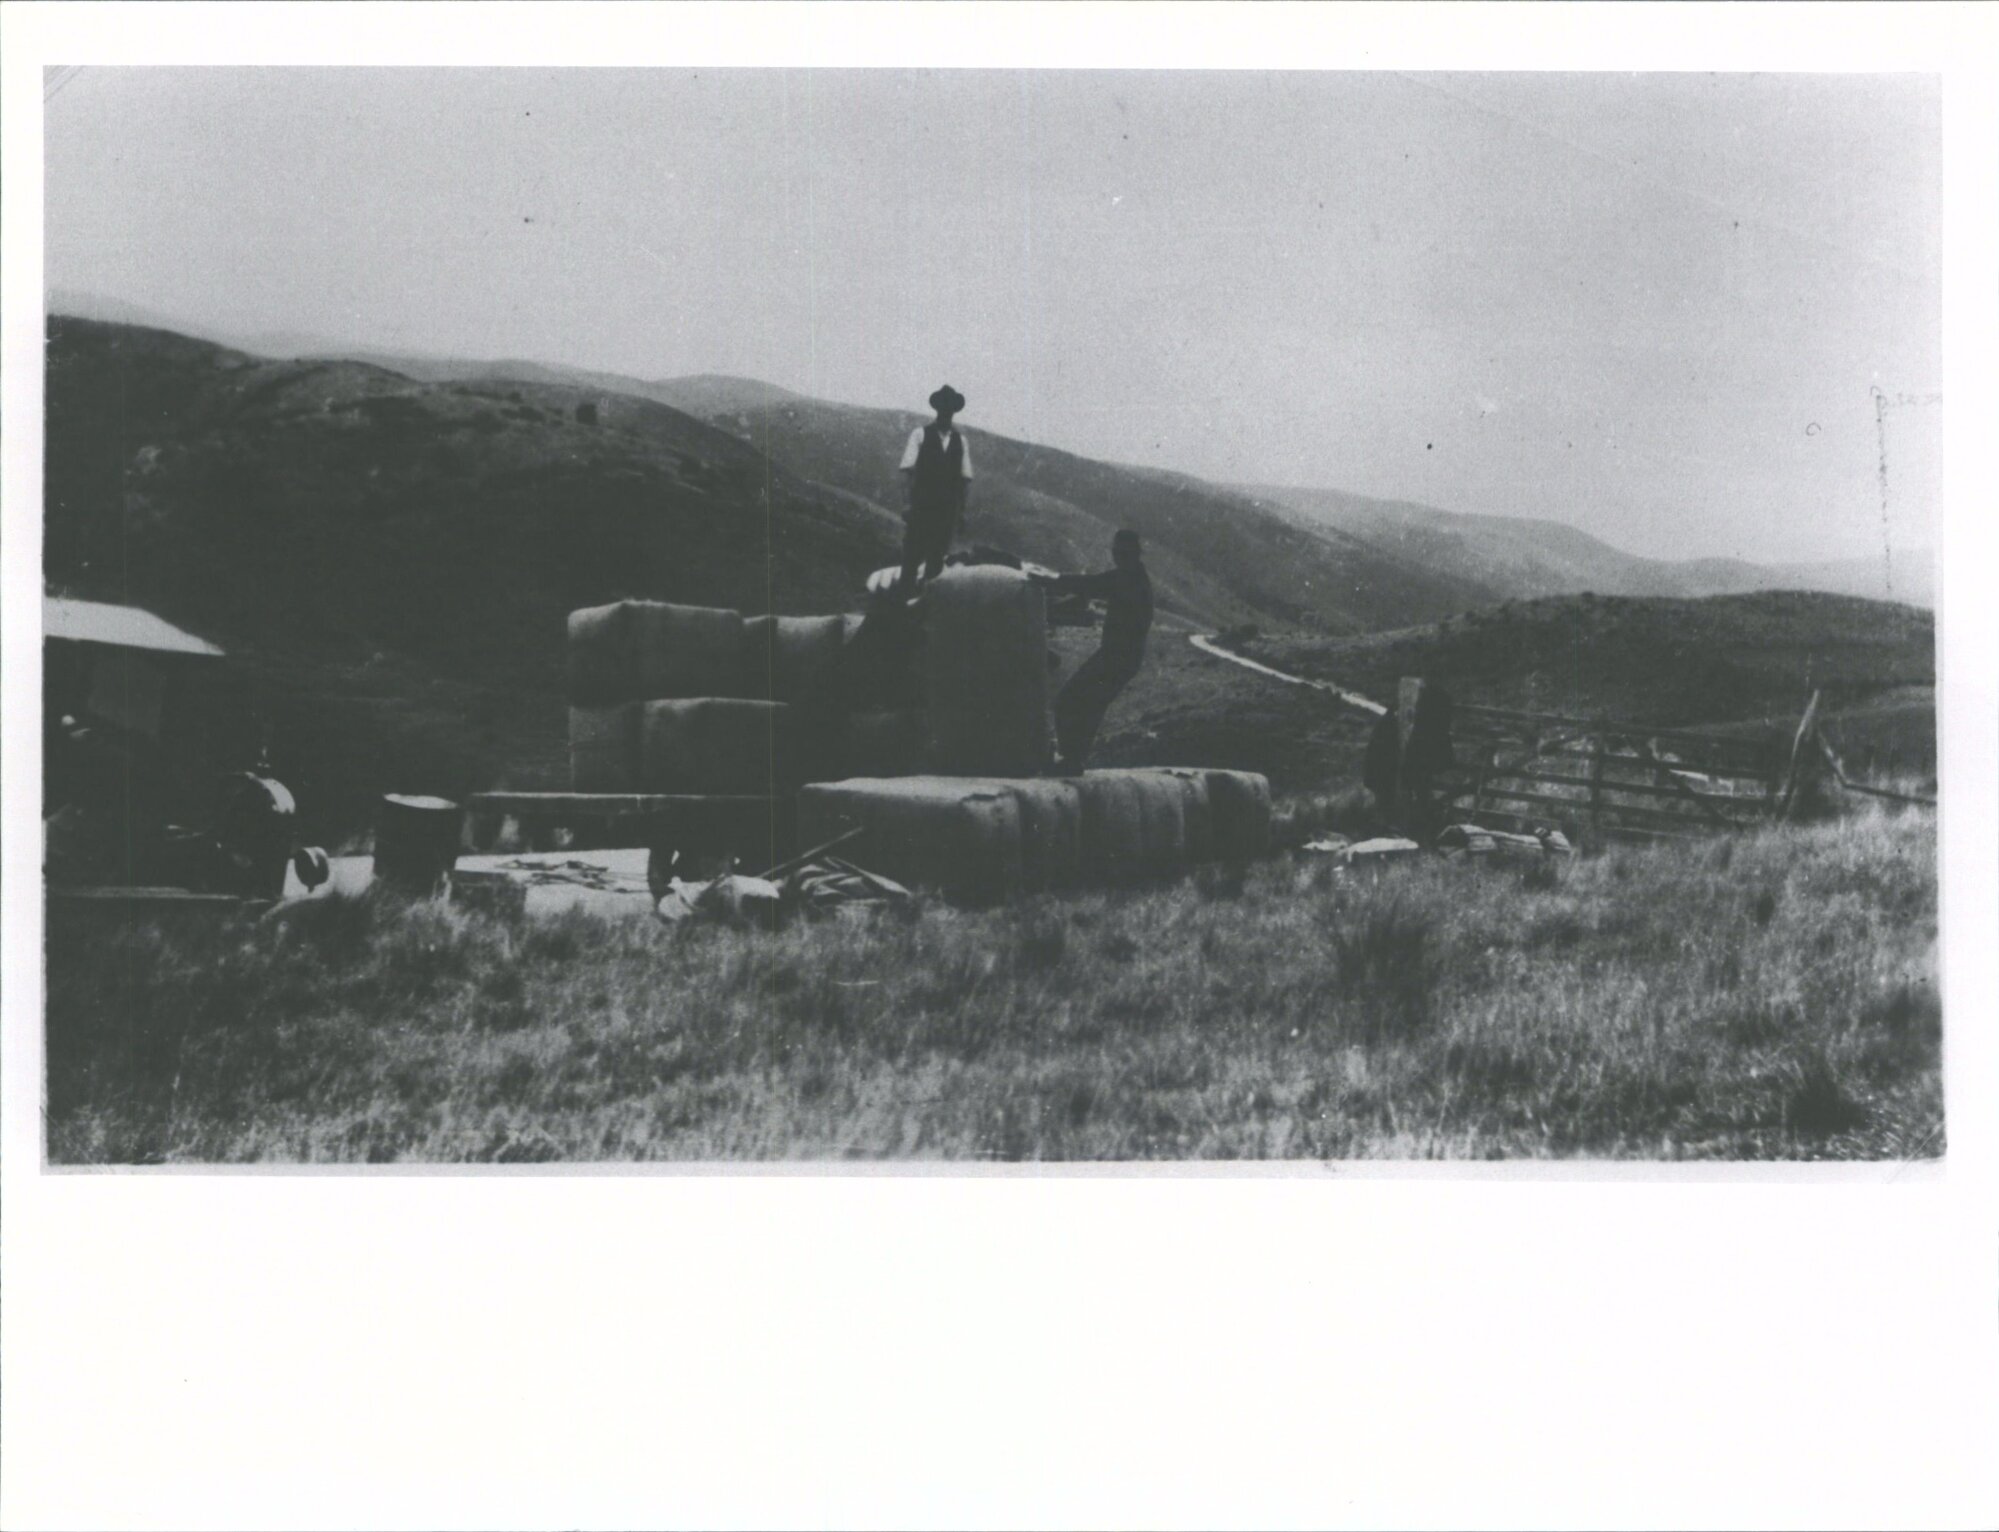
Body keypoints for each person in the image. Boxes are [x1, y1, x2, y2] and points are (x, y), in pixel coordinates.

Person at [1033, 529, 1154, 774]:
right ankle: (1072, 759)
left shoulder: (1128, 580)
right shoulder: (1133, 577)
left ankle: (1071, 761)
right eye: (1117, 552)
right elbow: (1095, 586)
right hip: (1121, 656)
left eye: (1123, 553)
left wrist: (1051, 581)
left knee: (1070, 702)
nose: (1118, 557)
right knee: (1086, 704)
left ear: (1134, 555)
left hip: (1118, 657)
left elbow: (1092, 584)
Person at [897, 384, 974, 591]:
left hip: (946, 511)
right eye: (943, 407)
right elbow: (907, 470)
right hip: (921, 507)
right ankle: (902, 604)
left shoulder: (961, 441)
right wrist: (907, 504)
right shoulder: (920, 435)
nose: (946, 412)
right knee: (911, 557)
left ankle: (927, 610)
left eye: (950, 408)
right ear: (937, 409)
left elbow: (965, 479)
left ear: (954, 411)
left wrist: (962, 513)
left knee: (936, 560)